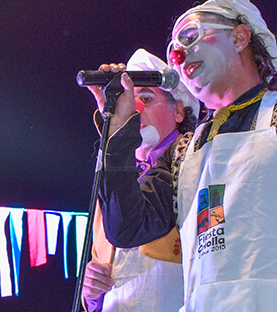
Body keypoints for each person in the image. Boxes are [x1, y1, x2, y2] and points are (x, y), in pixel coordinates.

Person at [93, 0, 277, 311]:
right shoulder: (182, 154)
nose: (178, 56)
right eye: (173, 47)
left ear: (239, 37)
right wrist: (117, 130)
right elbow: (126, 227)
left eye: (191, 36)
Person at [80, 49, 196, 312]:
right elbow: (99, 290)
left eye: (145, 97)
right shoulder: (112, 179)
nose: (135, 108)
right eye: (130, 101)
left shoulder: (194, 167)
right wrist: (91, 291)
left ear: (179, 111)